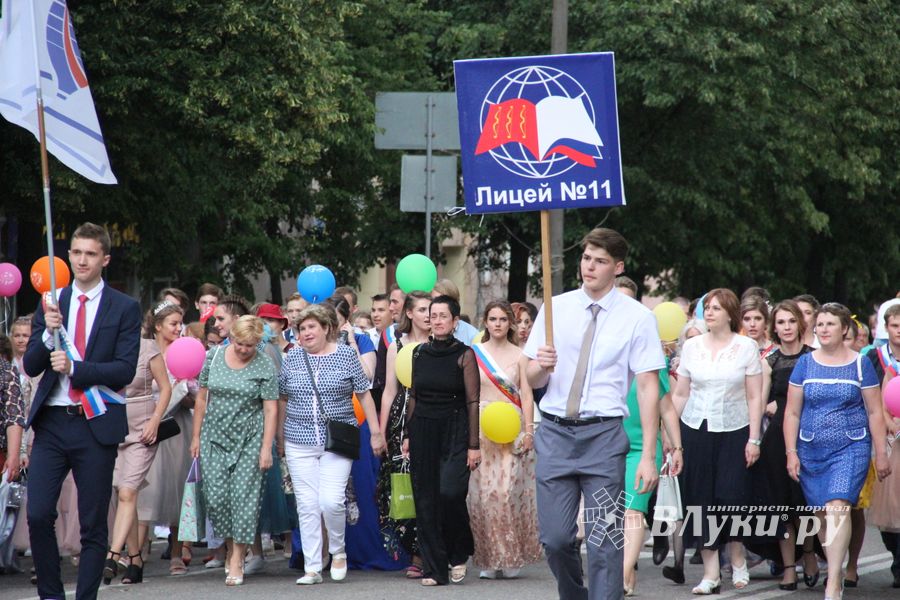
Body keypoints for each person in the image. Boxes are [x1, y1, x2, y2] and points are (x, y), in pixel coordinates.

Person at [523, 228, 665, 600]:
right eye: (586, 258)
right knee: (554, 539)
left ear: (617, 267)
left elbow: (649, 387)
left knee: (604, 539)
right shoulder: (556, 308)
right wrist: (541, 366)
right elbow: (529, 375)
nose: (590, 266)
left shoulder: (637, 318)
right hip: (554, 433)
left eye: (600, 261)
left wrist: (648, 456)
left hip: (603, 437)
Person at [23, 222, 142, 600]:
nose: (82, 260)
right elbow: (30, 365)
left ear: (104, 259)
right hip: (53, 422)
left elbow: (124, 368)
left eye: (90, 254)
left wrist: (76, 368)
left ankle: (85, 596)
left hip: (95, 423)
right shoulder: (52, 302)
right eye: (76, 252)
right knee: (39, 512)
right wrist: (46, 333)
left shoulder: (125, 307)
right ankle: (51, 595)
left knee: (92, 523)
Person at [784, 302, 891, 600]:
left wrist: (880, 452)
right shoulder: (805, 364)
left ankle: (833, 580)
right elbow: (792, 412)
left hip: (851, 447)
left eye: (830, 324)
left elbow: (874, 412)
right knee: (820, 515)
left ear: (845, 329)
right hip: (811, 448)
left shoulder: (860, 364)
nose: (823, 329)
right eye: (820, 324)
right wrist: (791, 452)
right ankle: (835, 564)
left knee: (838, 506)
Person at [277, 304, 385, 585]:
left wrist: (375, 433)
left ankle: (338, 550)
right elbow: (282, 400)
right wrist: (277, 439)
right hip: (298, 440)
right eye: (302, 328)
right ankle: (313, 566)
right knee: (307, 505)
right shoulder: (292, 358)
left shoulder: (347, 355)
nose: (306, 333)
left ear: (327, 328)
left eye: (312, 327)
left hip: (337, 440)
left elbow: (364, 396)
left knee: (331, 501)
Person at [670, 288, 763, 594]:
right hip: (695, 428)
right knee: (699, 499)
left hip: (735, 429)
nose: (709, 312)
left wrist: (754, 438)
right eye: (706, 308)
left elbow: (753, 396)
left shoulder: (746, 347)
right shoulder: (693, 346)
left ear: (729, 313)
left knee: (731, 496)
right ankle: (710, 572)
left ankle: (737, 555)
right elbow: (681, 393)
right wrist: (671, 437)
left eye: (716, 308)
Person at [191, 315, 279, 586]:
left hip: (249, 439)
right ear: (231, 337)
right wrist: (195, 436)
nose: (243, 349)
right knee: (216, 499)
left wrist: (266, 448)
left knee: (244, 499)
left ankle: (238, 556)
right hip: (214, 437)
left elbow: (270, 407)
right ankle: (230, 546)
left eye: (250, 346)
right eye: (239, 343)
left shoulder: (264, 364)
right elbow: (202, 397)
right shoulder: (214, 357)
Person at [400, 295, 480, 586]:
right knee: (425, 499)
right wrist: (407, 434)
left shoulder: (465, 354)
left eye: (443, 316)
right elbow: (414, 395)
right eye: (433, 316)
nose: (437, 320)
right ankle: (435, 567)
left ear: (455, 321)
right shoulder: (419, 353)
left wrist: (474, 444)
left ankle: (458, 552)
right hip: (423, 429)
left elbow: (473, 401)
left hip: (456, 429)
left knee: (449, 493)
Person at [612, 281, 683, 597]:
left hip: (643, 446)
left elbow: (666, 407)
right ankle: (624, 572)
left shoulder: (649, 351)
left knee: (632, 511)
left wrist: (675, 446)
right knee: (608, 513)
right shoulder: (603, 346)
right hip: (606, 442)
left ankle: (624, 571)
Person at [467, 300, 542, 580]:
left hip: (511, 428)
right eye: (492, 319)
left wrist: (529, 429)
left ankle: (510, 555)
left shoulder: (521, 355)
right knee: (482, 495)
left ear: (510, 322)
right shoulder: (475, 353)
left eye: (502, 319)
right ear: (485, 322)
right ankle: (488, 556)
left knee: (507, 492)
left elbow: (526, 393)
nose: (497, 324)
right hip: (482, 428)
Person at [103, 301, 175, 585]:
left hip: (143, 429)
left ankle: (113, 554)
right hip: (113, 427)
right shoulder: (106, 347)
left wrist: (156, 421)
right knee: (121, 493)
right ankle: (135, 558)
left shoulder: (148, 348)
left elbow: (166, 388)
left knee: (127, 491)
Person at [753, 300, 816, 589]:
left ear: (800, 324)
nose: (787, 327)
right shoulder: (769, 362)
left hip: (810, 436)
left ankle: (810, 554)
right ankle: (789, 567)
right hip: (777, 439)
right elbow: (758, 402)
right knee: (781, 505)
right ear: (773, 327)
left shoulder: (814, 358)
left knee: (805, 503)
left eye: (791, 321)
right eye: (781, 322)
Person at [137, 301, 195, 576]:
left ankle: (175, 549)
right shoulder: (145, 350)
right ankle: (138, 548)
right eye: (172, 323)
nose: (177, 328)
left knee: (176, 487)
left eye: (180, 322)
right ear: (158, 326)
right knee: (145, 488)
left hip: (176, 427)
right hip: (147, 423)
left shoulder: (185, 350)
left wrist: (186, 389)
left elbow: (196, 396)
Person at [376, 290, 431, 577]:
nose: (427, 315)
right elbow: (388, 390)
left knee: (430, 483)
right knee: (403, 483)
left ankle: (431, 549)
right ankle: (415, 552)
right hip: (400, 420)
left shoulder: (441, 343)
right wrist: (382, 431)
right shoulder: (397, 344)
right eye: (421, 309)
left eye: (430, 310)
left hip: (433, 415)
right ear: (409, 313)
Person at [866, 304, 900, 586]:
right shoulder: (876, 358)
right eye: (894, 325)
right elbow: (879, 397)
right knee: (888, 507)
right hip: (888, 438)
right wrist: (888, 420)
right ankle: (895, 552)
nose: (899, 330)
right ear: (885, 328)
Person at [431, 279, 479, 345]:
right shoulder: (425, 329)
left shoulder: (472, 335)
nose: (437, 304)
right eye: (434, 300)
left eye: (442, 300)